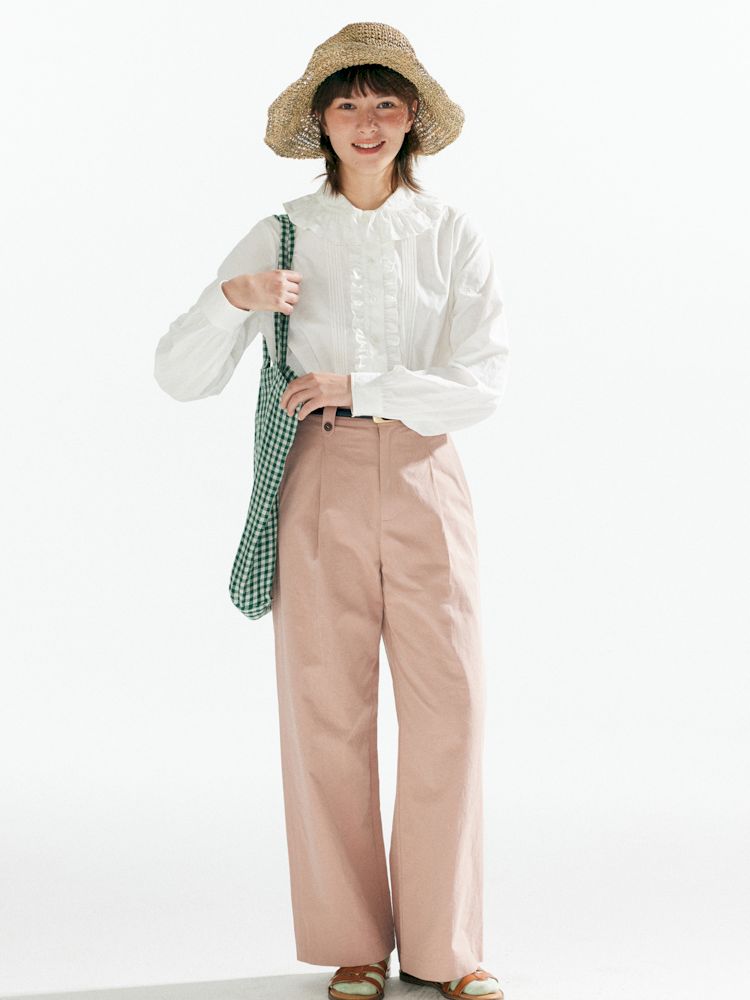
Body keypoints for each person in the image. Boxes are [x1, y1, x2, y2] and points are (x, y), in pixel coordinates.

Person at [154, 22, 510, 1000]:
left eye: (385, 103)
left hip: (427, 474)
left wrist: (367, 383)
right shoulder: (283, 232)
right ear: (321, 119)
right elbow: (178, 374)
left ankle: (445, 946)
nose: (367, 121)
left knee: (451, 707)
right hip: (317, 474)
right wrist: (235, 297)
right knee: (326, 710)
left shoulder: (452, 233)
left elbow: (483, 383)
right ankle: (353, 941)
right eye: (348, 103)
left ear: (413, 119)